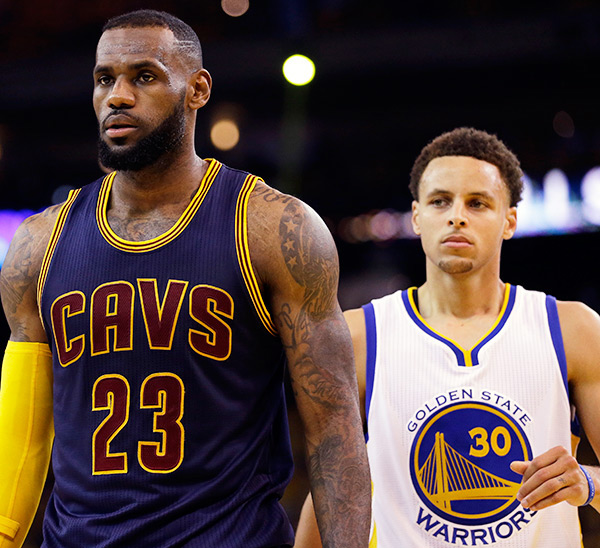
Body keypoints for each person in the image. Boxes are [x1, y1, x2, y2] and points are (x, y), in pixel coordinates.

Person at [0, 10, 370, 548]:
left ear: (197, 90)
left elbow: (334, 430)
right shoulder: (39, 243)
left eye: (144, 76)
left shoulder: (272, 228)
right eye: (104, 79)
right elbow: (21, 433)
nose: (117, 96)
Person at [295, 127, 600, 547]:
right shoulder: (358, 337)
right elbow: (331, 489)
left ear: (510, 220)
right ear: (417, 216)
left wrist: (589, 483)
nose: (457, 215)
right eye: (440, 201)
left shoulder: (573, 330)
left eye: (477, 203)